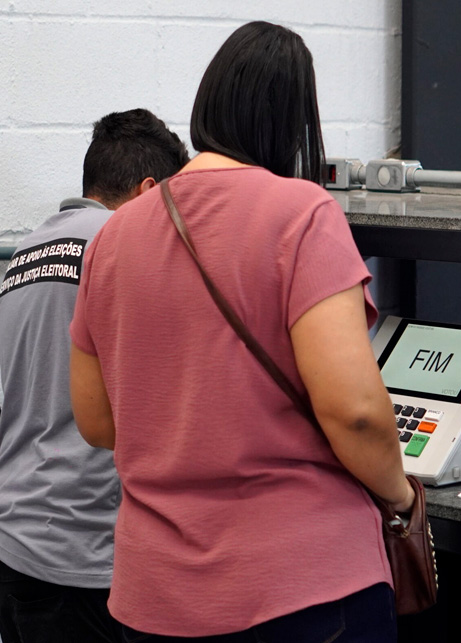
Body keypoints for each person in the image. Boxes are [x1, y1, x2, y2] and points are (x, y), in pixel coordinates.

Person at [69, 21, 416, 643]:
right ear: (294, 124)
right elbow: (356, 413)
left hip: (156, 595)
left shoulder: (111, 237)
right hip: (302, 586)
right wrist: (401, 497)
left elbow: (97, 422)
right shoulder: (304, 213)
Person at [0, 109, 189, 643]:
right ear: (148, 190)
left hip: (8, 538)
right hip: (78, 552)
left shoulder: (28, 249)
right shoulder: (122, 246)